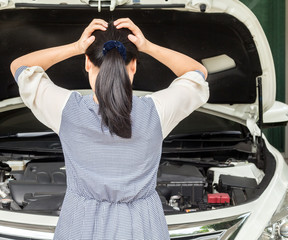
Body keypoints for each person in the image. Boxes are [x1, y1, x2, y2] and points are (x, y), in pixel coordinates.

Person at [11, 18, 209, 240]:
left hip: (81, 226)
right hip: (143, 227)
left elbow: (20, 67)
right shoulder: (157, 112)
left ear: (87, 63)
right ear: (133, 66)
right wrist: (147, 46)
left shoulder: (65, 110)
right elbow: (197, 73)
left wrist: (76, 46)